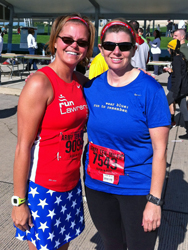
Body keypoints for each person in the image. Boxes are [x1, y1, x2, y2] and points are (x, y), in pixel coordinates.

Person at [83, 19, 171, 250]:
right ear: (101, 49)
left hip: (136, 189)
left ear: (134, 49)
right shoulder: (91, 87)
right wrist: (39, 76)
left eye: (124, 46)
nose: (116, 51)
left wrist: (154, 200)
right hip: (97, 187)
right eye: (110, 45)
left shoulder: (150, 90)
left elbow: (160, 151)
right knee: (112, 244)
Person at [11, 14, 95, 250]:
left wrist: (135, 76)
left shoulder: (81, 81)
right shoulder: (40, 83)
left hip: (71, 185)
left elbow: (109, 88)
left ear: (87, 48)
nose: (74, 46)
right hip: (44, 188)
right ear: (55, 41)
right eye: (67, 39)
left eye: (82, 42)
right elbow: (22, 147)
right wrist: (19, 202)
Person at [166, 39, 188, 139]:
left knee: (162, 105)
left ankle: (156, 127)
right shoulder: (181, 57)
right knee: (183, 109)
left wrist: (174, 93)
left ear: (173, 49)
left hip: (177, 89)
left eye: (169, 48)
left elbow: (178, 77)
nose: (167, 50)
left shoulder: (176, 60)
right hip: (183, 88)